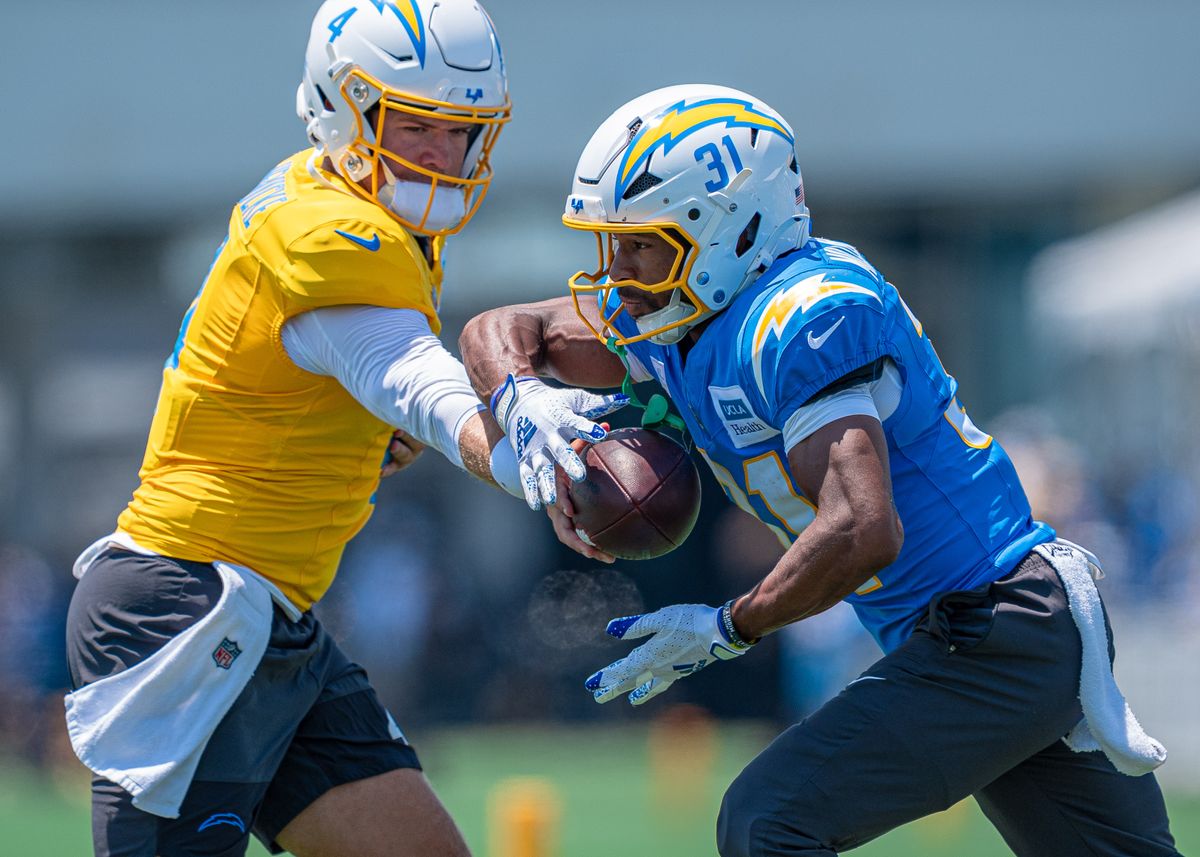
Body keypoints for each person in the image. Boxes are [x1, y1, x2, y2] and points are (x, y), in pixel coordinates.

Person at [459, 84, 1181, 856]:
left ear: (733, 229)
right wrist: (523, 399)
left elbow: (864, 526)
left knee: (768, 817)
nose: (621, 271)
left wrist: (728, 626)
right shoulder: (680, 315)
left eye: (644, 245)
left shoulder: (803, 315)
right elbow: (500, 329)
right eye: (615, 244)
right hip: (975, 631)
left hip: (1000, 625)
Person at [62, 3, 622, 855]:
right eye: (416, 124)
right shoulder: (331, 232)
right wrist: (530, 450)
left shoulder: (339, 200)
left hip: (269, 613)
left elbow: (350, 386)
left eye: (459, 130)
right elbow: (415, 377)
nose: (440, 154)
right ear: (343, 107)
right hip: (187, 608)